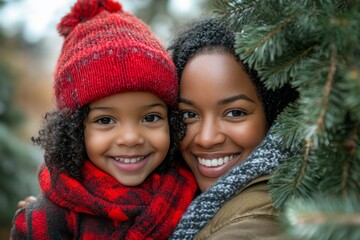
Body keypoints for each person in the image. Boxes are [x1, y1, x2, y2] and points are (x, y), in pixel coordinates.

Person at [10, 0, 197, 239]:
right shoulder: (47, 219)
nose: (131, 138)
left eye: (151, 117)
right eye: (106, 120)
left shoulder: (191, 191)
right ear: (75, 129)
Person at [168, 17, 299, 239]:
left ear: (274, 115)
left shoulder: (255, 224)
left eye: (235, 113)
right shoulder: (171, 201)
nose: (207, 139)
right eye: (189, 115)